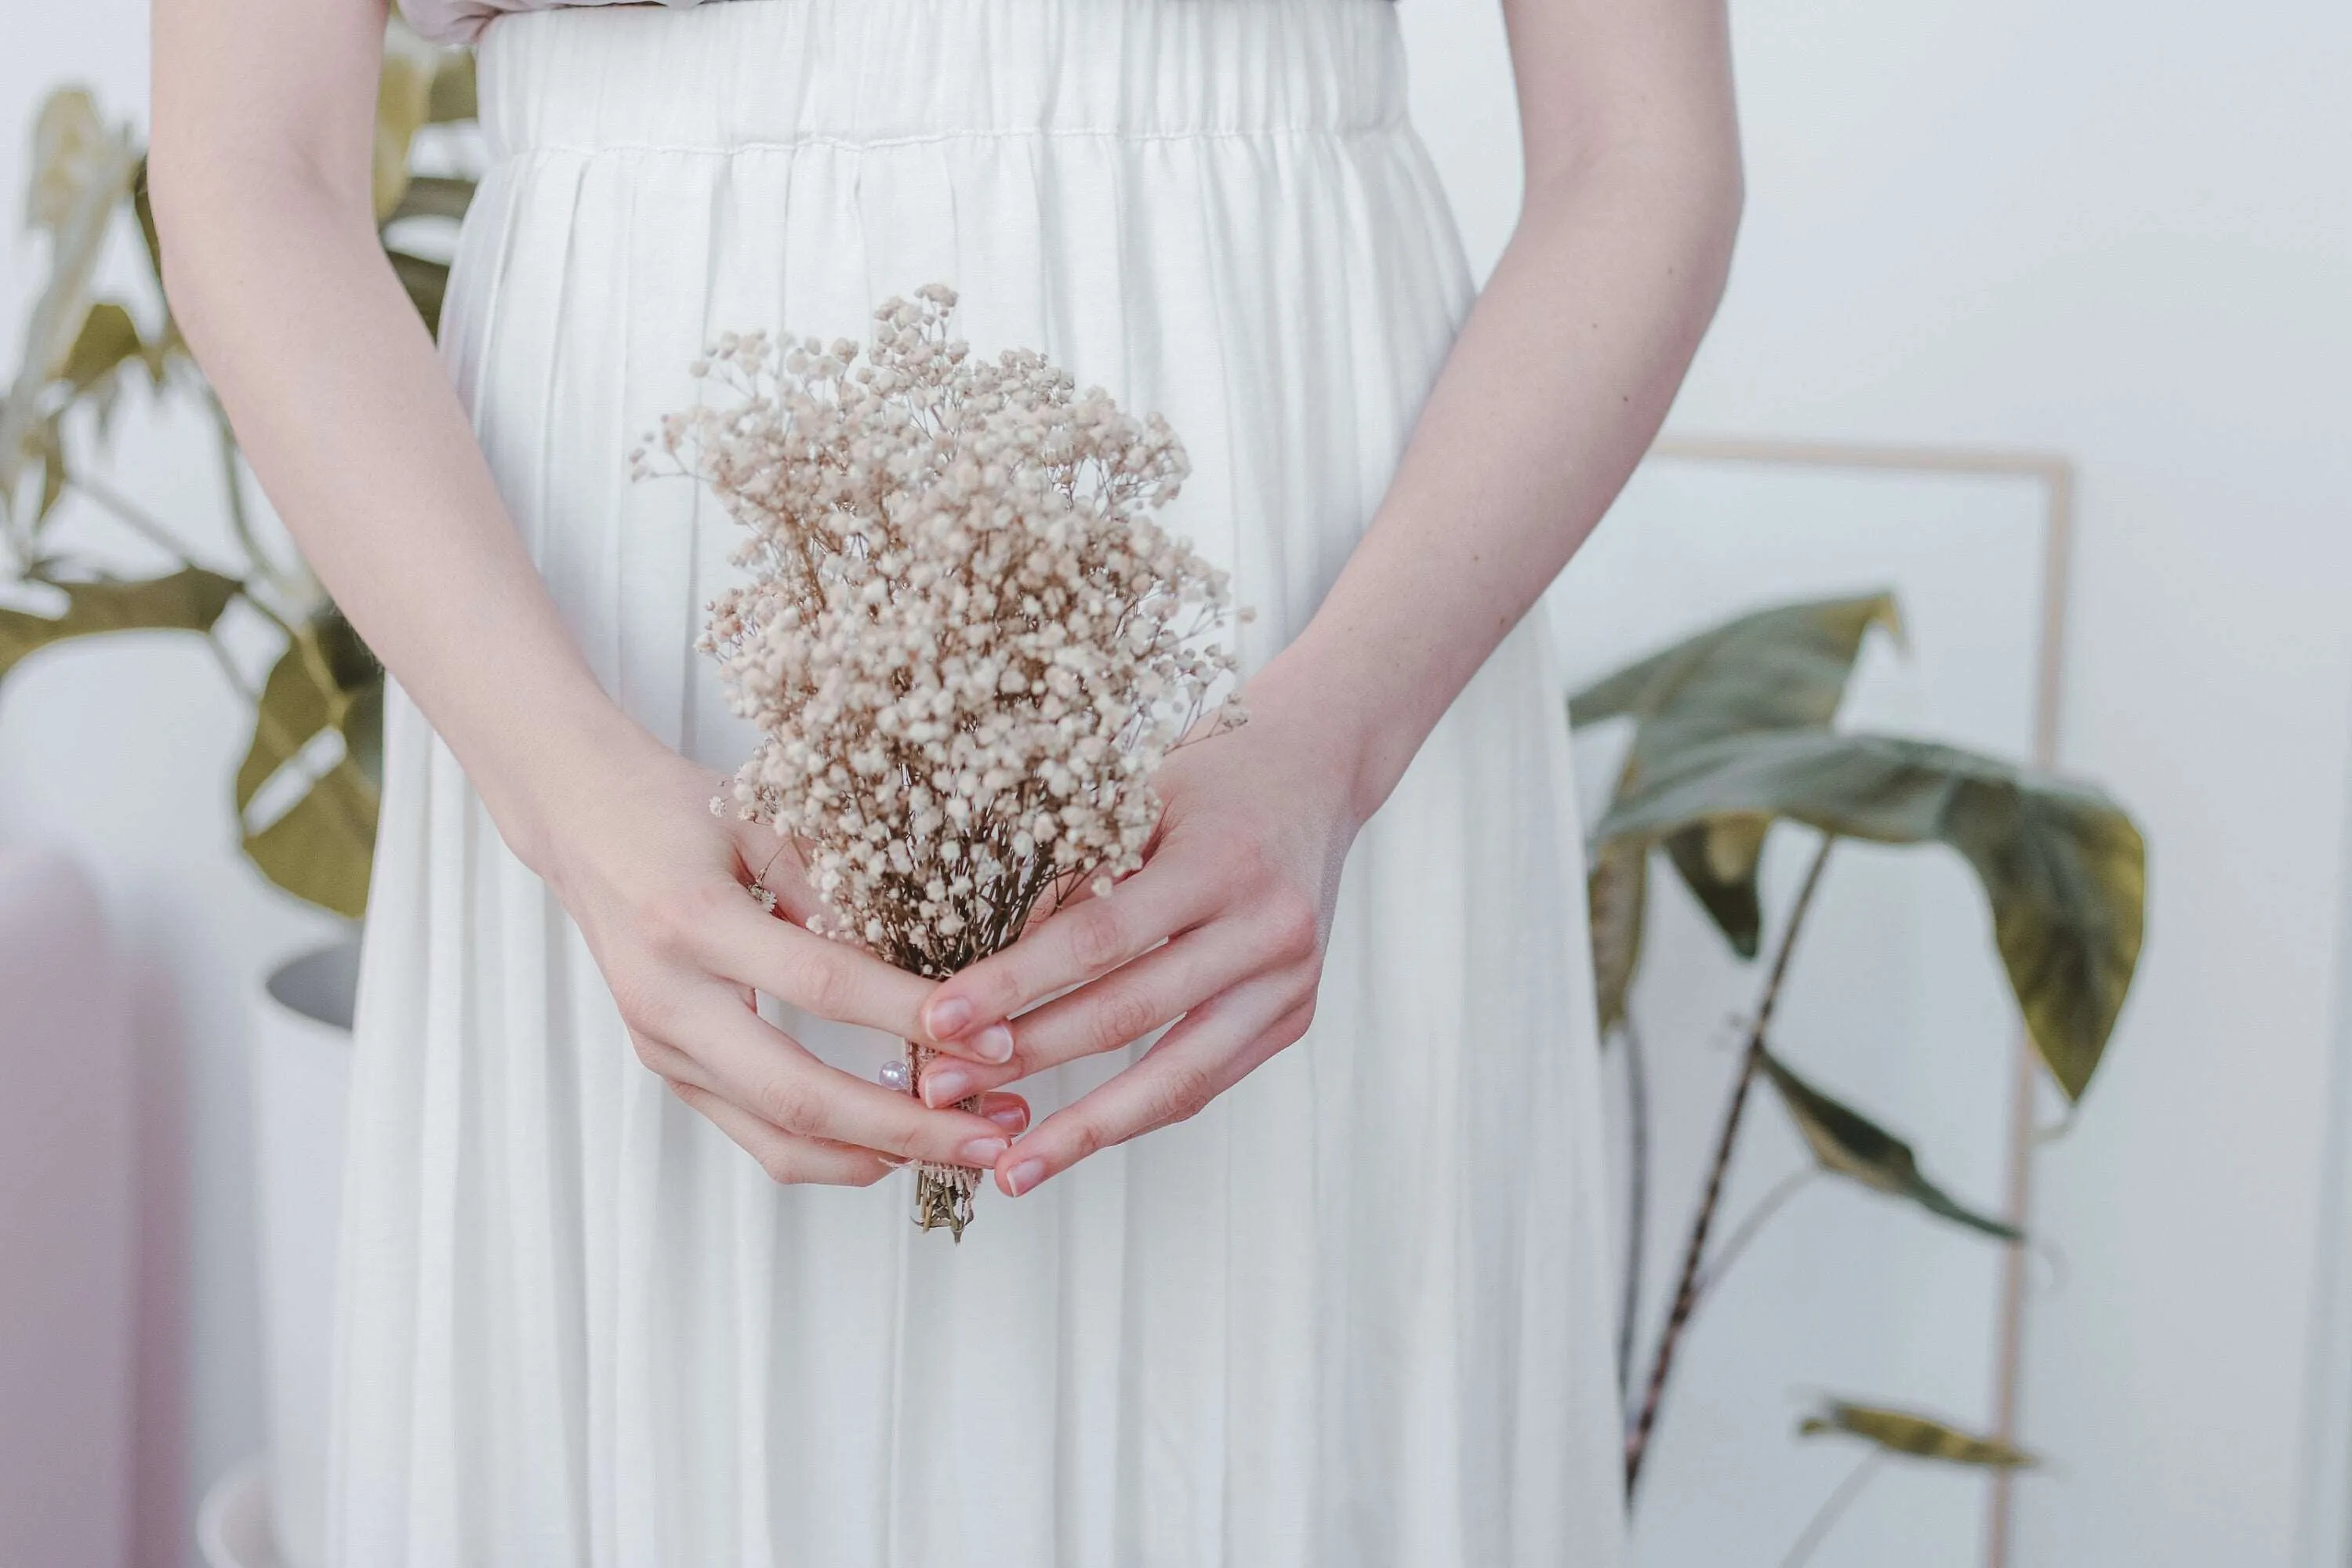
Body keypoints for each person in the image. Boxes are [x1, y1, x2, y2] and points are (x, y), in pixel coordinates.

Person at [151, 0, 1739, 1560]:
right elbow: (251, 159)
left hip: (1318, 595)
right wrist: (570, 791)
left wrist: (1334, 737)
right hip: (608, 625)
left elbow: (1638, 144)